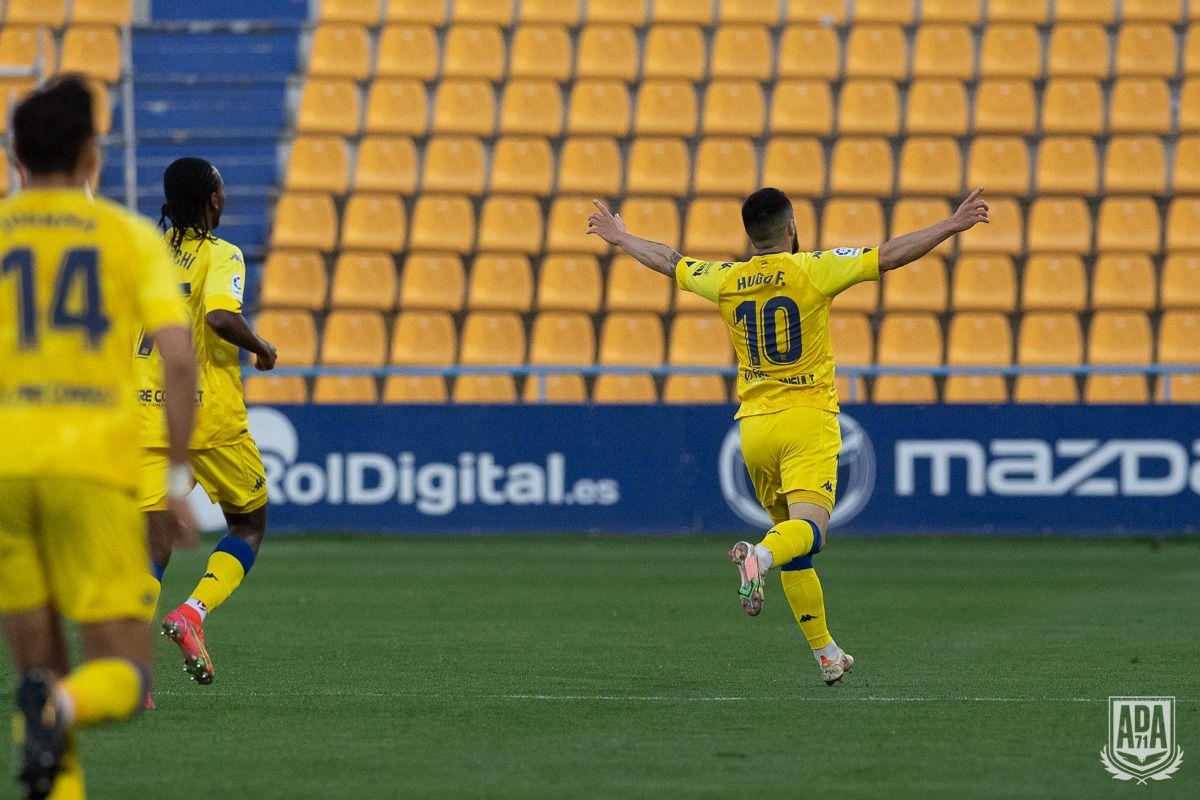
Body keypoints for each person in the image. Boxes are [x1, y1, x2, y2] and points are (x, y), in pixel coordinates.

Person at [587, 187, 990, 685]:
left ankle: (826, 653)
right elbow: (888, 255)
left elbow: (671, 261)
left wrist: (622, 238)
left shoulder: (727, 278)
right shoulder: (813, 269)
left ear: (749, 235)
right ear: (792, 226)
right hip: (807, 418)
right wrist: (950, 225)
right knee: (811, 532)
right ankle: (758, 556)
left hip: (754, 429)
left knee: (793, 545)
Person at [0, 75, 198, 799]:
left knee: (34, 675)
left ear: (15, 156)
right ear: (92, 155)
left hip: (6, 472)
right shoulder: (127, 238)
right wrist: (175, 483)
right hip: (93, 471)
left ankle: (50, 713)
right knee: (120, 671)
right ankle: (65, 708)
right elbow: (179, 360)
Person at [137, 157, 277, 690]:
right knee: (249, 523)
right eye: (220, 191)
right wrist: (262, 348)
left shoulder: (144, 256)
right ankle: (193, 613)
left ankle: (135, 675)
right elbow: (220, 316)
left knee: (152, 548)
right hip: (210, 417)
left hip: (149, 416)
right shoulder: (223, 255)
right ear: (212, 201)